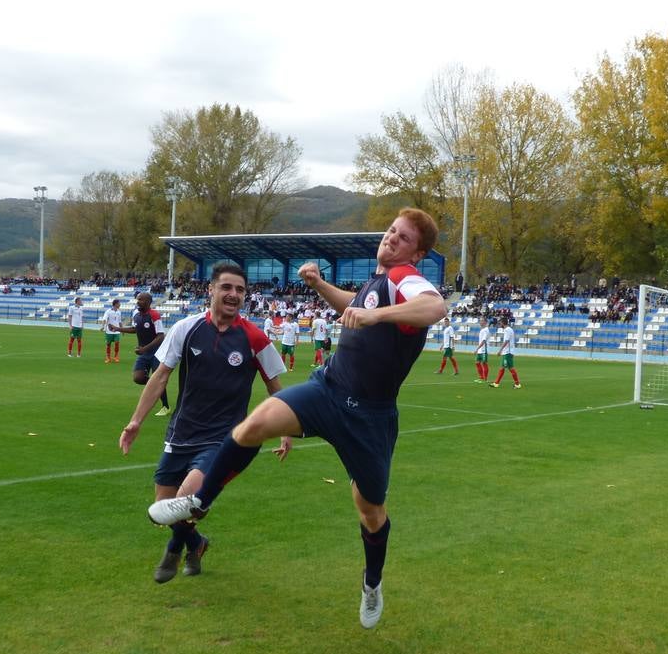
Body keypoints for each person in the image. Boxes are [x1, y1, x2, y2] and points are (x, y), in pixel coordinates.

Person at [146, 208, 446, 629]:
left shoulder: (403, 279)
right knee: (255, 424)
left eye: (404, 238)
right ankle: (200, 499)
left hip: (368, 418)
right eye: (392, 231)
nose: (392, 238)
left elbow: (435, 307)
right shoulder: (379, 282)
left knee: (370, 509)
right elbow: (356, 305)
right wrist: (321, 285)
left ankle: (372, 583)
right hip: (328, 389)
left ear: (419, 252)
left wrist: (375, 316)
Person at [119, 262, 292, 582]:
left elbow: (274, 387)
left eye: (240, 290)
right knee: (163, 506)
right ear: (210, 290)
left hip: (222, 439)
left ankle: (173, 550)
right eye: (226, 287)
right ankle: (196, 544)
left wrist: (284, 429)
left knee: (185, 502)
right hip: (181, 433)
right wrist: (135, 422)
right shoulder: (186, 328)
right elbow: (159, 378)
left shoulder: (255, 338)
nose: (233, 294)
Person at [116, 291, 171, 417]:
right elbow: (135, 329)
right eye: (137, 299)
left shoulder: (154, 315)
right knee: (138, 378)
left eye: (140, 299)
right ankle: (155, 384)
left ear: (148, 302)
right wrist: (118, 329)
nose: (137, 301)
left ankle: (166, 406)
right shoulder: (136, 315)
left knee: (157, 379)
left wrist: (145, 348)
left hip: (157, 352)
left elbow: (160, 336)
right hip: (144, 352)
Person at [489, 316, 521, 389]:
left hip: (507, 352)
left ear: (503, 323)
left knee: (511, 368)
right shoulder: (509, 329)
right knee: (502, 368)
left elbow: (506, 341)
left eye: (500, 323)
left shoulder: (507, 330)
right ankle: (496, 383)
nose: (499, 325)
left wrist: (500, 350)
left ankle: (517, 384)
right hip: (507, 352)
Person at [100, 298, 123, 363]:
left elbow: (120, 321)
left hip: (117, 331)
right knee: (108, 344)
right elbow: (104, 319)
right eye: (119, 303)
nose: (120, 304)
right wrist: (102, 326)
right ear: (115, 304)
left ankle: (115, 357)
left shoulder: (119, 312)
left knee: (117, 343)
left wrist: (122, 329)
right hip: (109, 331)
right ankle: (108, 357)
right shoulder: (108, 311)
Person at [473, 317, 491, 383]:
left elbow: (483, 341)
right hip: (480, 350)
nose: (480, 322)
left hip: (484, 350)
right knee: (477, 363)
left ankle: (485, 379)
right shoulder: (482, 330)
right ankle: (481, 377)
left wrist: (477, 349)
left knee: (484, 363)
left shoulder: (486, 330)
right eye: (480, 320)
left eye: (482, 321)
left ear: (485, 322)